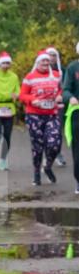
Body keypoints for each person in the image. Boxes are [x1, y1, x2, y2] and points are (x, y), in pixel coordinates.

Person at [18, 50, 63, 186]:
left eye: (47, 61)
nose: (45, 63)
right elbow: (22, 95)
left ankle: (48, 166)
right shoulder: (30, 77)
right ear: (37, 63)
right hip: (34, 116)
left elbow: (61, 89)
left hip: (52, 115)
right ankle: (36, 172)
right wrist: (32, 100)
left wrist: (60, 96)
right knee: (37, 147)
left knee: (55, 144)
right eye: (42, 61)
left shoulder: (56, 76)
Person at [61, 40, 79, 194]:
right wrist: (71, 98)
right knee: (77, 150)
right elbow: (65, 90)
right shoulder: (73, 68)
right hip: (77, 116)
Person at [46, 46, 67, 167]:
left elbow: (66, 87)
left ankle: (58, 153)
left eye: (54, 55)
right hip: (43, 106)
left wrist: (62, 96)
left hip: (58, 105)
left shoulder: (62, 71)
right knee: (44, 131)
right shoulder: (40, 70)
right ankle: (46, 153)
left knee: (57, 131)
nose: (52, 58)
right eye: (50, 55)